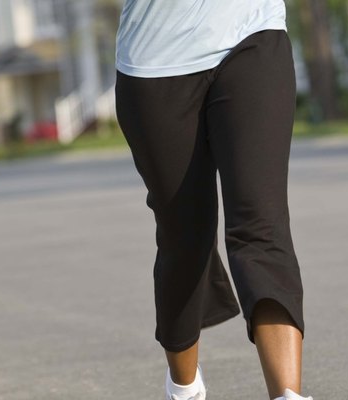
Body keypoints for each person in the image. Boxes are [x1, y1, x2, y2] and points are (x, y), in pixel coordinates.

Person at [114, 1, 311, 399]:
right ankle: (184, 388)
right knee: (184, 236)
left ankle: (287, 395)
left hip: (252, 34)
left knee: (261, 224)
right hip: (154, 62)